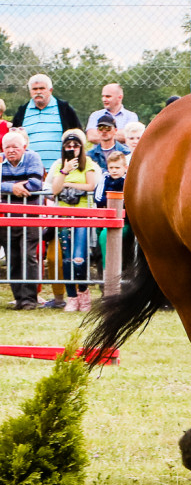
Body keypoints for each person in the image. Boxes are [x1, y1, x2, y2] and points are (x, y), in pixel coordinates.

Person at [46, 129, 99, 313]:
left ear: (81, 147)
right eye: (68, 146)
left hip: (82, 217)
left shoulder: (88, 163)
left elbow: (90, 185)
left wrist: (69, 184)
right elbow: (54, 189)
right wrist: (64, 171)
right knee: (66, 260)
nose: (72, 148)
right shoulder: (59, 165)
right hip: (64, 217)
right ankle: (72, 297)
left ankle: (83, 292)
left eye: (75, 145)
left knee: (79, 259)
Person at [1, 132, 45, 310]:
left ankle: (29, 299)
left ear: (24, 147)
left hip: (29, 216)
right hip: (7, 218)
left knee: (28, 256)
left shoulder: (33, 157)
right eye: (7, 147)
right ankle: (18, 298)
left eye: (15, 147)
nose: (11, 151)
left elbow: (36, 184)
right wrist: (12, 187)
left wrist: (9, 188)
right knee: (13, 257)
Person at [11, 74, 82, 171]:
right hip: (29, 171)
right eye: (34, 89)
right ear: (30, 91)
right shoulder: (22, 112)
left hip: (61, 170)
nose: (38, 92)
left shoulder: (64, 109)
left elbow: (78, 136)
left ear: (50, 90)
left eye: (42, 88)